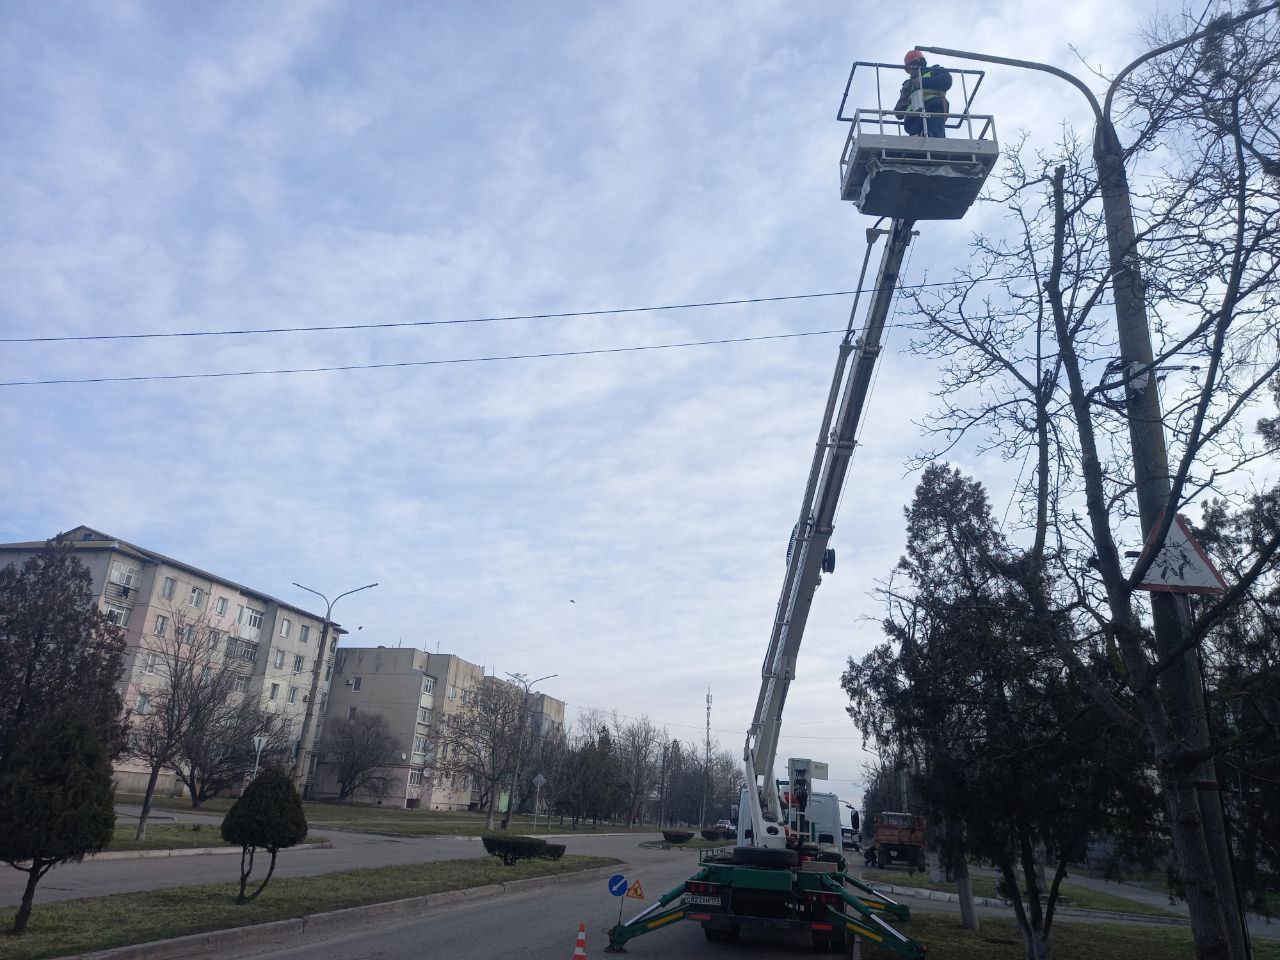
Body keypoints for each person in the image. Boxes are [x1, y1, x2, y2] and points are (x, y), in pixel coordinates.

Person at [895, 49, 952, 138]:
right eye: (908, 70)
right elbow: (899, 113)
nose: (910, 72)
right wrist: (905, 92)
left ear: (919, 64)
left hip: (933, 109)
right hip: (913, 117)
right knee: (915, 145)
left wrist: (922, 82)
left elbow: (946, 81)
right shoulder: (909, 85)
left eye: (911, 68)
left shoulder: (934, 71)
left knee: (935, 138)